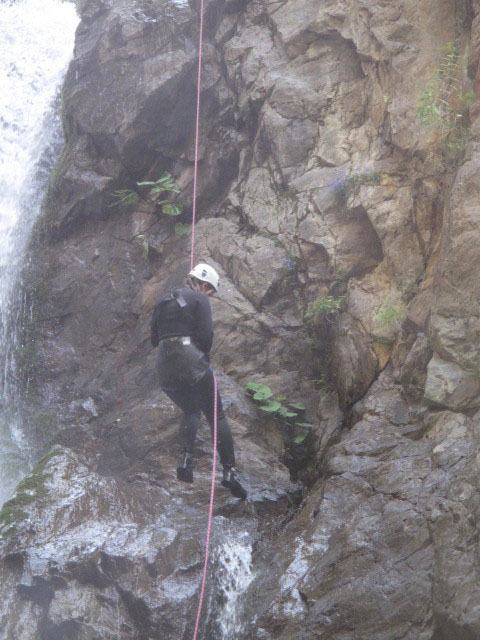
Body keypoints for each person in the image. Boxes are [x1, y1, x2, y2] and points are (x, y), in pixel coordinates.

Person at [151, 263, 247, 499]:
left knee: (191, 409)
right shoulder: (200, 299)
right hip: (190, 357)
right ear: (204, 285)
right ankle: (230, 472)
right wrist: (200, 359)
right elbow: (206, 335)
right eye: (210, 291)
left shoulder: (162, 301)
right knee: (217, 415)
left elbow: (154, 338)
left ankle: (185, 459)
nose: (209, 296)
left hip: (163, 364)